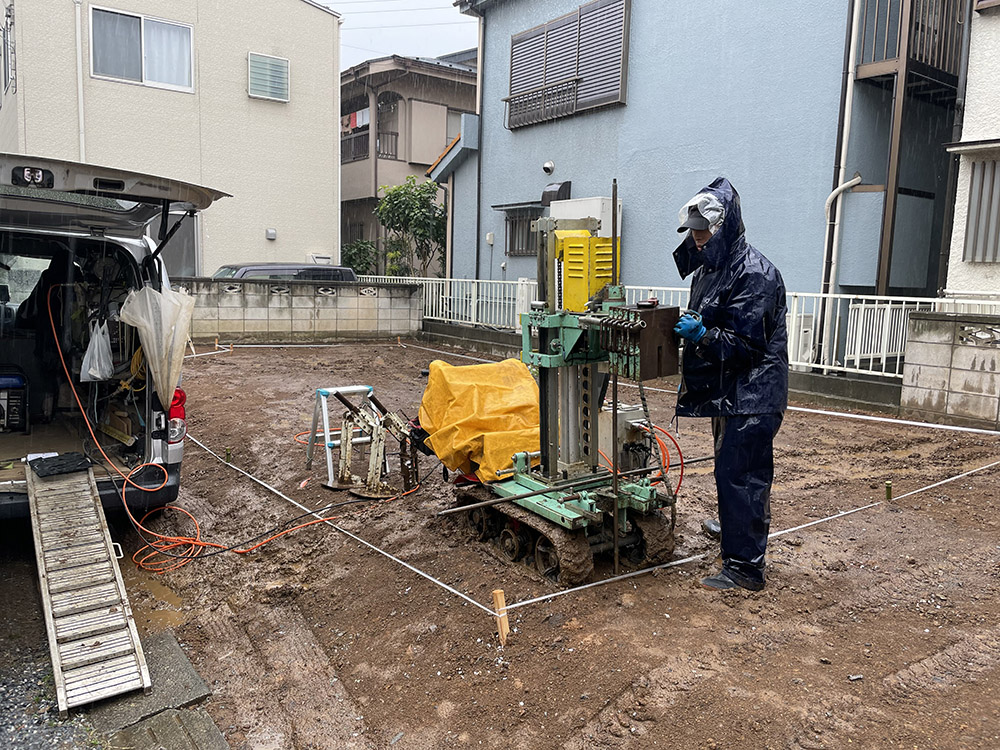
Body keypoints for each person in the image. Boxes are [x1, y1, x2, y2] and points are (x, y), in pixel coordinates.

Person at [672, 177, 788, 591]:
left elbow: (747, 347)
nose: (697, 241)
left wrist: (703, 336)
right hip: (732, 392)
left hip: (754, 395)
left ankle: (744, 568)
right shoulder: (712, 267)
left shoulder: (754, 274)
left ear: (724, 227)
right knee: (729, 470)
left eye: (703, 232)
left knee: (743, 475)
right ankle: (733, 528)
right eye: (693, 233)